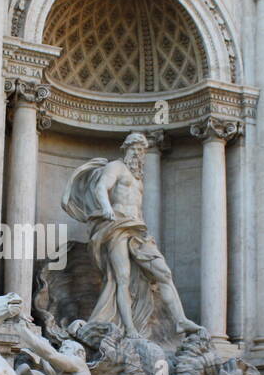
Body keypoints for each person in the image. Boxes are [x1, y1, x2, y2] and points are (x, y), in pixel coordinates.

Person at [62, 132, 199, 340]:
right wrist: (106, 207)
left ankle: (179, 320)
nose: (138, 153)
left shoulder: (138, 178)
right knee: (121, 278)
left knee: (164, 273)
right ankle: (129, 329)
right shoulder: (116, 167)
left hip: (137, 229)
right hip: (116, 225)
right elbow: (101, 187)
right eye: (135, 148)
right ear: (126, 149)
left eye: (142, 150)